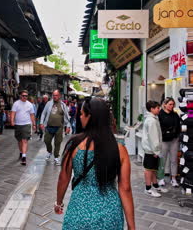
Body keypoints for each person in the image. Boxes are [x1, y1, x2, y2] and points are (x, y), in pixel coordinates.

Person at [54, 98, 135, 230]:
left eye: (81, 114)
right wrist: (131, 226)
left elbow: (64, 178)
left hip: (79, 212)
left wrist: (59, 203)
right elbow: (125, 188)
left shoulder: (74, 145)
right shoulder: (120, 150)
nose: (80, 117)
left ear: (89, 116)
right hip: (109, 215)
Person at [141, 100, 168, 197]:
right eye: (157, 108)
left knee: (153, 169)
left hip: (152, 149)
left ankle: (155, 186)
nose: (159, 109)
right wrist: (156, 150)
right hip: (151, 150)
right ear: (152, 109)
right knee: (149, 169)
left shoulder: (152, 118)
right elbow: (153, 137)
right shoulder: (151, 120)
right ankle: (148, 188)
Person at [40, 90, 71, 165]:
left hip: (59, 128)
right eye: (53, 95)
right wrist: (41, 123)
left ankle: (56, 157)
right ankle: (49, 151)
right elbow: (43, 113)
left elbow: (67, 117)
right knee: (46, 141)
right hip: (49, 126)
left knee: (58, 143)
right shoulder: (48, 103)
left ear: (59, 96)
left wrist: (68, 126)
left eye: (56, 95)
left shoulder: (63, 105)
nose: (54, 97)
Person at [158, 97, 181, 188]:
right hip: (164, 140)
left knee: (174, 159)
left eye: (173, 104)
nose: (172, 106)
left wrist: (176, 134)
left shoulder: (175, 115)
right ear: (165, 104)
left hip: (174, 140)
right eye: (170, 104)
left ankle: (174, 178)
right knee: (162, 159)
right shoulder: (160, 114)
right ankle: (161, 178)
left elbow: (178, 126)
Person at [11, 90, 36, 165]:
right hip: (18, 124)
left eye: (26, 96)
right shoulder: (16, 103)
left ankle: (24, 157)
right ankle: (21, 152)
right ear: (20, 96)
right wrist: (12, 120)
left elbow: (32, 115)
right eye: (23, 95)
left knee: (24, 140)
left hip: (26, 124)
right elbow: (13, 113)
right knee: (19, 141)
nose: (25, 97)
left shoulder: (30, 105)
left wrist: (34, 124)